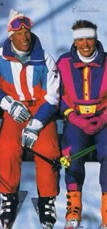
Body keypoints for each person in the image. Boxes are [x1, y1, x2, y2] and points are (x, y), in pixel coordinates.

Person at [0, 8, 61, 229]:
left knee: (48, 150)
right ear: (11, 36)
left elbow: (53, 96)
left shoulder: (45, 59)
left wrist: (37, 124)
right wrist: (7, 103)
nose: (24, 38)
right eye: (19, 34)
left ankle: (47, 199)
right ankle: (8, 196)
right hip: (15, 112)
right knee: (7, 149)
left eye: (27, 32)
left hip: (40, 113)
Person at [57, 19, 107, 229]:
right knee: (72, 152)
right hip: (76, 119)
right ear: (74, 41)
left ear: (96, 39)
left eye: (89, 39)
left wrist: (103, 118)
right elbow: (57, 95)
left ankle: (106, 207)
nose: (85, 44)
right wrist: (72, 115)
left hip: (103, 119)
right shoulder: (64, 62)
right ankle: (74, 206)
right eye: (80, 40)